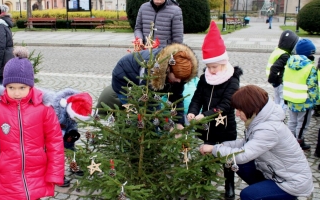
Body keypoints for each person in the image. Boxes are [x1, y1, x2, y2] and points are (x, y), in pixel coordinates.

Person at [0, 46, 65, 199]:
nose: (16, 92)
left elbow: (55, 142)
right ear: (5, 86)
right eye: (11, 87)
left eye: (22, 88)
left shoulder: (44, 108)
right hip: (8, 177)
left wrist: (55, 174)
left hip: (37, 174)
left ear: (30, 86)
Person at [199, 85, 314, 200]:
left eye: (240, 110)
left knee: (248, 195)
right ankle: (265, 192)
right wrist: (221, 146)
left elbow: (244, 154)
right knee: (238, 164)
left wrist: (214, 150)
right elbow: (247, 143)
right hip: (277, 174)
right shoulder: (260, 119)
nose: (237, 114)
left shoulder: (268, 129)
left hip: (291, 182)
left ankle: (277, 196)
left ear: (251, 108)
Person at [187, 21, 243, 200]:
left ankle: (229, 186)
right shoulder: (205, 78)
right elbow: (197, 97)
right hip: (207, 127)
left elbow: (226, 105)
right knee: (205, 152)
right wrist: (193, 112)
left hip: (225, 127)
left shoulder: (232, 79)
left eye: (214, 67)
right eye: (209, 67)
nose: (210, 70)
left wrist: (205, 115)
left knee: (227, 157)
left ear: (223, 63)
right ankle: (204, 180)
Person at [112, 42, 198, 127]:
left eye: (181, 79)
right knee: (137, 115)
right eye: (176, 77)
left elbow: (176, 98)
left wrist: (179, 123)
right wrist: (158, 121)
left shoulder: (179, 76)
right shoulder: (152, 69)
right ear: (168, 69)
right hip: (124, 80)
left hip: (143, 83)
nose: (179, 81)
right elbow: (148, 100)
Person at [53, 88, 94, 186]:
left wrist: (72, 132)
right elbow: (51, 127)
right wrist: (61, 136)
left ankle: (73, 165)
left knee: (70, 147)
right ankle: (56, 176)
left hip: (65, 131)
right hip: (53, 134)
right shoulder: (56, 110)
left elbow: (73, 122)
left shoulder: (73, 109)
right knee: (56, 154)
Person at [283, 38, 318, 150]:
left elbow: (285, 80)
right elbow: (313, 86)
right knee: (302, 124)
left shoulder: (289, 64)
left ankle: (290, 139)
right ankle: (299, 141)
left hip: (291, 98)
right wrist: (315, 101)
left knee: (292, 121)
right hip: (305, 102)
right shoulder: (310, 67)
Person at [266, 30, 299, 114]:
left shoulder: (277, 51)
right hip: (280, 81)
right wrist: (272, 79)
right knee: (283, 101)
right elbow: (275, 67)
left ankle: (276, 114)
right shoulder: (285, 55)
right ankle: (280, 115)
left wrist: (272, 80)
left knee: (277, 99)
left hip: (275, 81)